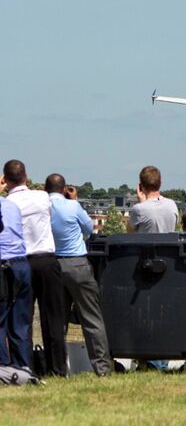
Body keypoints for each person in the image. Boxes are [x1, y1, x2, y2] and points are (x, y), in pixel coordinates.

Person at [2, 160, 67, 376]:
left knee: (23, 318)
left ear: (5, 179)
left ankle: (25, 365)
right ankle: (57, 367)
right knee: (54, 318)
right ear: (26, 176)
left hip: (22, 260)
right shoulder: (42, 197)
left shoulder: (9, 203)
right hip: (47, 259)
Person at [45, 173, 112, 376]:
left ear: (45, 189)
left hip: (53, 264)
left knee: (57, 320)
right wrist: (74, 200)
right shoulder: (73, 206)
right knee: (92, 318)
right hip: (77, 263)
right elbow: (89, 228)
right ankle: (102, 367)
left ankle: (57, 368)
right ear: (64, 189)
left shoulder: (42, 206)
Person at [0, 192, 33, 371]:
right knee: (20, 322)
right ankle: (23, 368)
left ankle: (3, 368)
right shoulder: (12, 205)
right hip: (21, 262)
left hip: (3, 263)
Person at [127, 166, 178, 233]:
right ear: (160, 183)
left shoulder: (139, 209)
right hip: (168, 243)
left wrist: (142, 204)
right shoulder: (172, 205)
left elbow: (130, 233)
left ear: (140, 186)